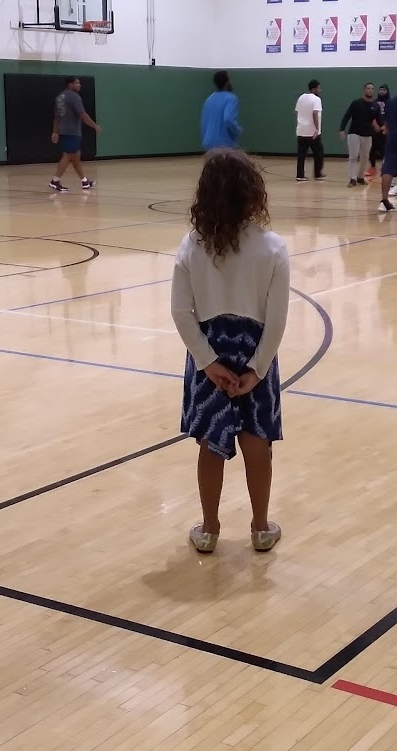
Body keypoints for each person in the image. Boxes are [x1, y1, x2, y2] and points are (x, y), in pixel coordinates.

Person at [171, 149, 290, 554]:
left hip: (209, 356)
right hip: (255, 352)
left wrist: (209, 363)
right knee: (258, 445)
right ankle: (260, 527)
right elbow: (276, 322)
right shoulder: (273, 247)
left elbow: (180, 313)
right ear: (252, 193)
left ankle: (208, 529)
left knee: (210, 444)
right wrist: (256, 370)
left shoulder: (191, 246)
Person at [50, 76, 101, 192]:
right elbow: (83, 115)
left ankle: (84, 181)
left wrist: (55, 131)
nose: (79, 85)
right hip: (72, 132)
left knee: (76, 157)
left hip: (64, 131)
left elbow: (56, 117)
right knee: (68, 156)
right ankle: (55, 180)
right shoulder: (74, 97)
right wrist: (94, 126)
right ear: (70, 84)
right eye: (77, 83)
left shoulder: (60, 97)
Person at [339, 82, 382, 186]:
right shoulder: (356, 103)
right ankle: (352, 179)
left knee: (365, 157)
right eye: (368, 88)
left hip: (367, 135)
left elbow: (379, 121)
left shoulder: (375, 106)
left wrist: (382, 127)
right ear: (364, 90)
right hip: (354, 133)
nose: (370, 90)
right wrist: (342, 129)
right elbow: (347, 116)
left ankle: (360, 177)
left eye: (372, 89)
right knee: (353, 156)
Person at [201, 70, 243, 151]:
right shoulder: (231, 98)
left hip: (208, 143)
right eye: (230, 79)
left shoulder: (209, 99)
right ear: (227, 82)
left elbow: (204, 122)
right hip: (225, 145)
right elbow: (228, 119)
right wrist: (238, 130)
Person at [295, 80, 325, 181]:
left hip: (301, 130)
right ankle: (318, 174)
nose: (320, 90)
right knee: (319, 153)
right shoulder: (316, 99)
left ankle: (300, 175)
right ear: (314, 88)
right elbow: (315, 113)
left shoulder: (301, 98)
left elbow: (297, 112)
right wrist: (316, 128)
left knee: (301, 154)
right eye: (319, 88)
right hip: (312, 132)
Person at [366, 84, 390, 178]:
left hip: (385, 129)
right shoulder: (374, 103)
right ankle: (372, 167)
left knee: (385, 150)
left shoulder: (390, 102)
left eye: (384, 90)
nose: (381, 92)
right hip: (374, 130)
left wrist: (386, 127)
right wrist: (375, 125)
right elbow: (371, 115)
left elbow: (391, 116)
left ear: (387, 91)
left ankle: (385, 168)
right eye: (380, 90)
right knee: (371, 149)